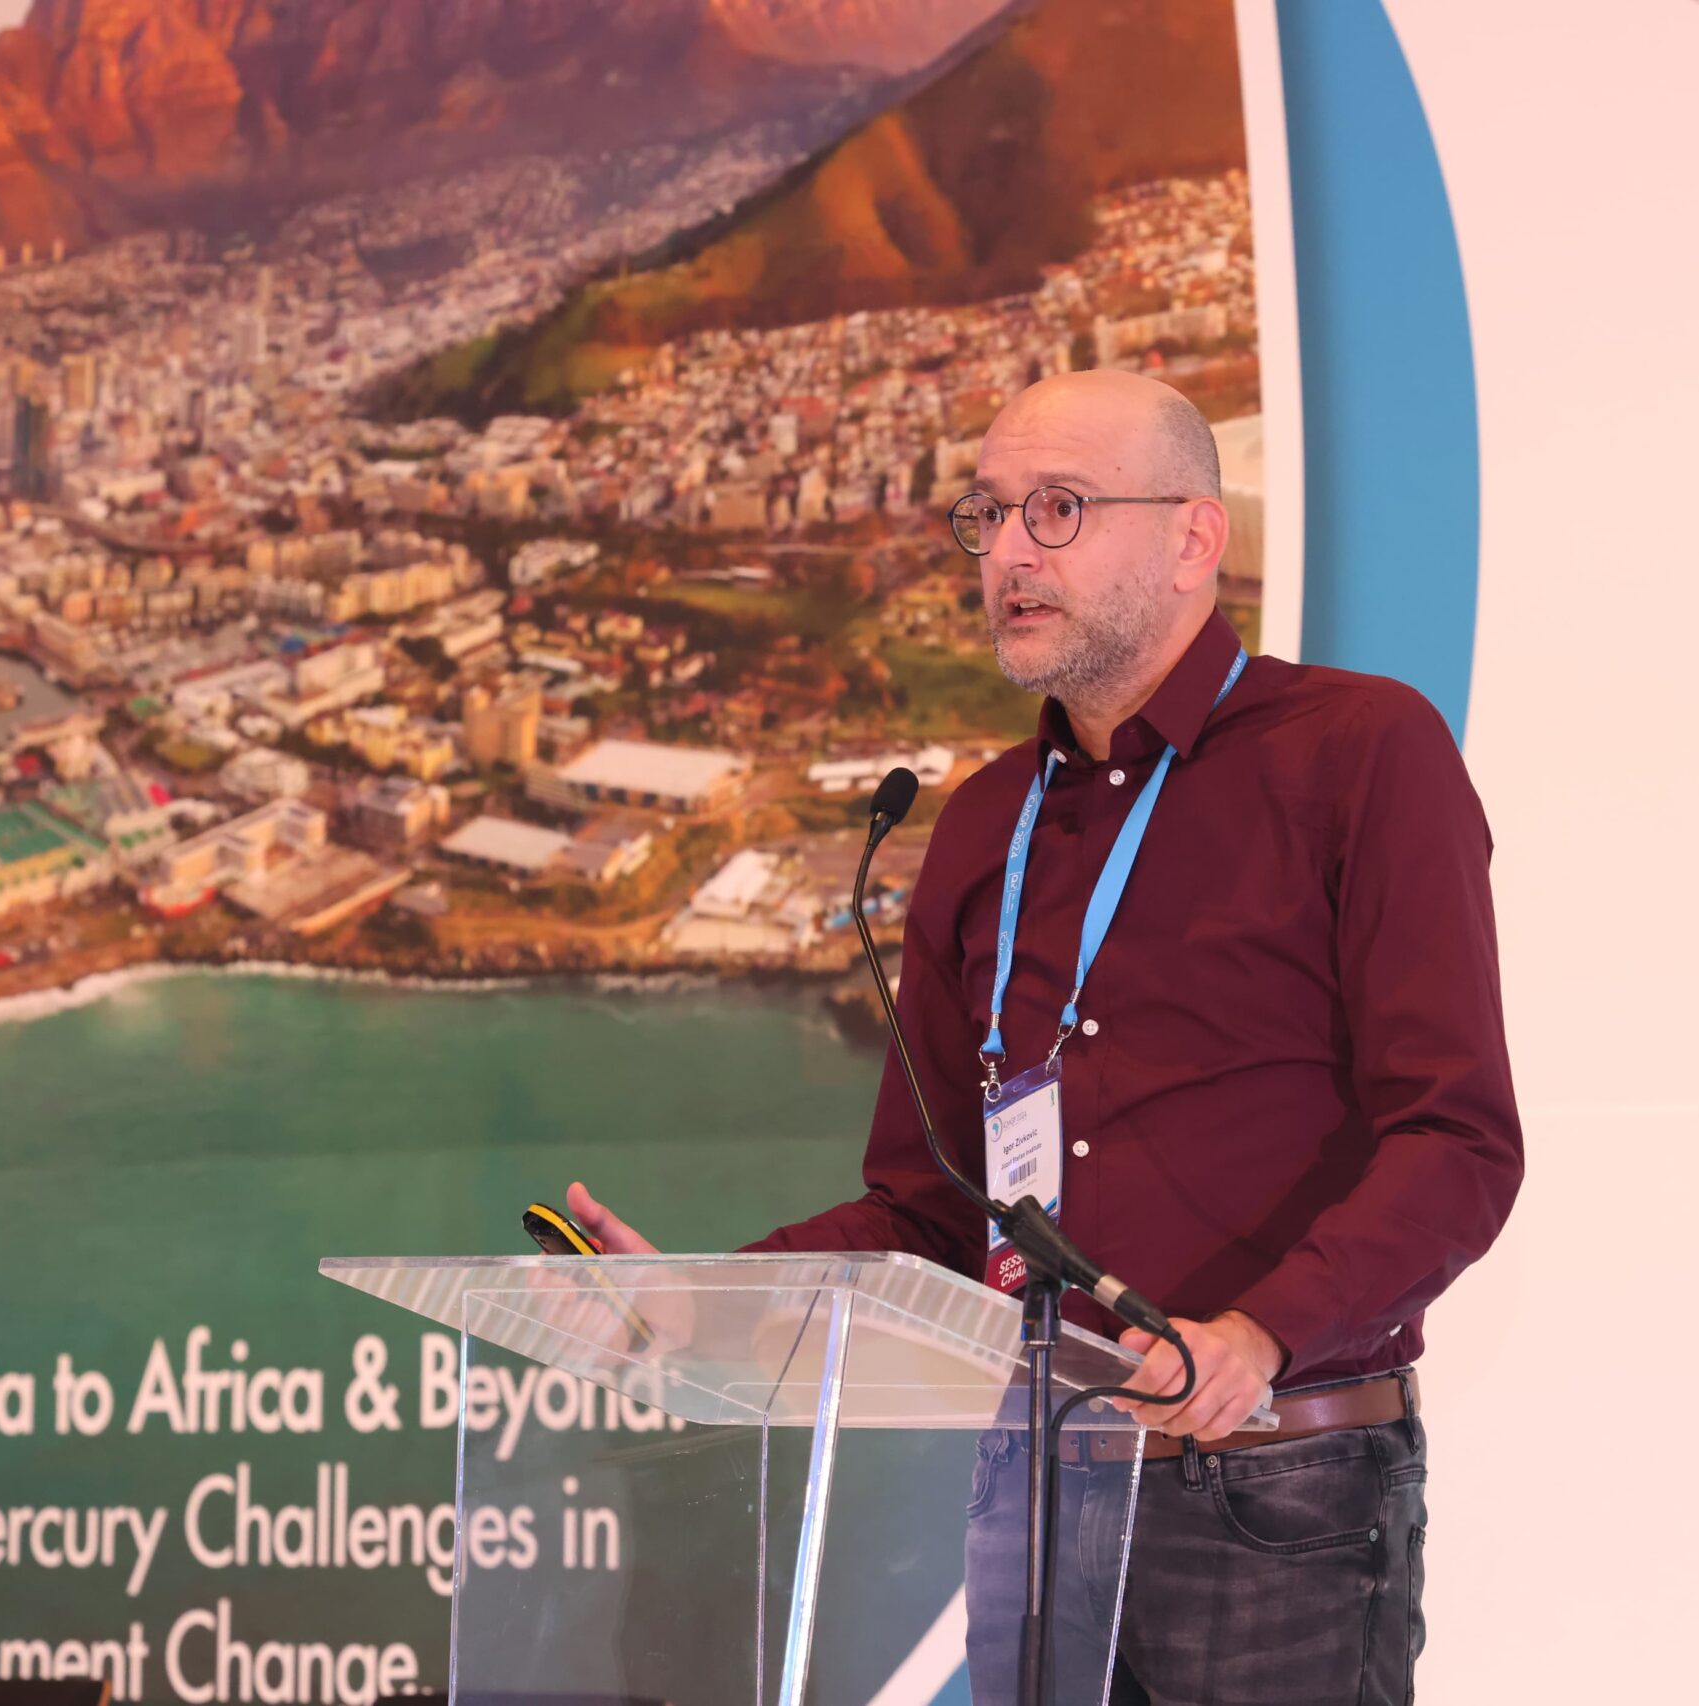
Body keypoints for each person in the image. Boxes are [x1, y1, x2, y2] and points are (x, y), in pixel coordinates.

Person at [565, 368, 1521, 1705]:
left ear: (1194, 537)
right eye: (990, 514)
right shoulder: (980, 825)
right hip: (1036, 1492)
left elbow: (1457, 1141)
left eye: (1058, 508)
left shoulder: (1358, 752)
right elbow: (932, 1210)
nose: (1009, 551)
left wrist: (1257, 1334)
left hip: (1272, 1482)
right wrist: (708, 1299)